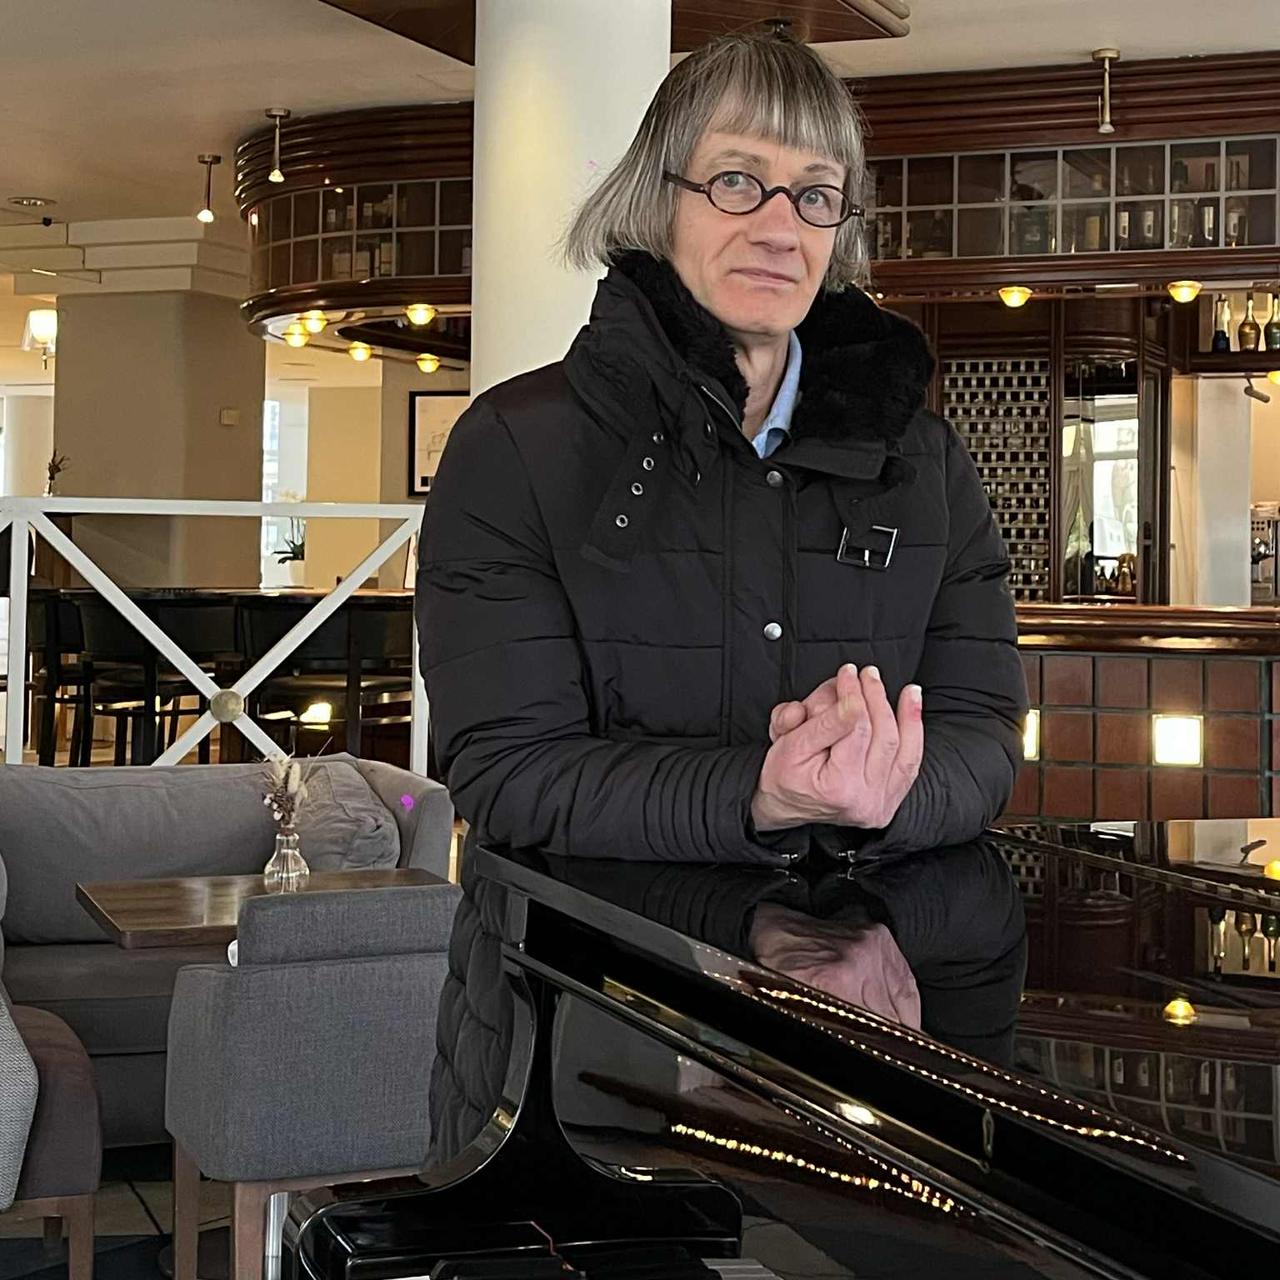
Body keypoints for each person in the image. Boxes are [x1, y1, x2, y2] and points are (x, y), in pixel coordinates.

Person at [418, 30, 1027, 1160]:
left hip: (870, 1054)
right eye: (738, 179)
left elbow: (983, 738)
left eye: (815, 194)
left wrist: (882, 791)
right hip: (576, 1059)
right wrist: (760, 788)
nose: (779, 226)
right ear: (656, 199)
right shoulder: (512, 446)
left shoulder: (925, 462)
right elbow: (505, 772)